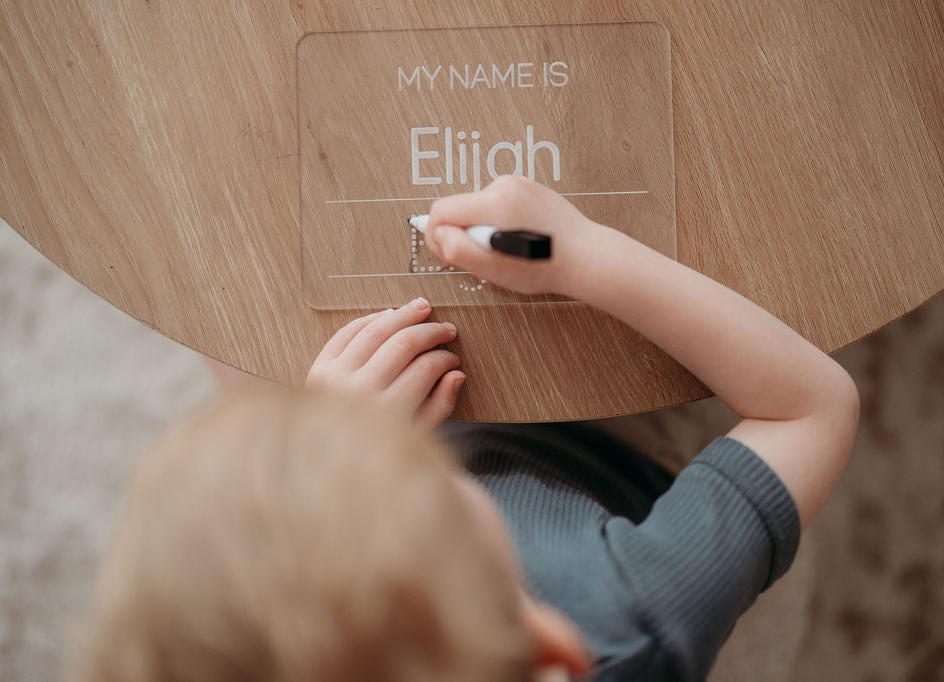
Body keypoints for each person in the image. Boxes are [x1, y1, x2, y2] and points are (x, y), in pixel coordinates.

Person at [76, 176, 859, 681]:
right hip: (624, 475)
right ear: (551, 653)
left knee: (245, 337)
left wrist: (324, 431)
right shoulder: (629, 618)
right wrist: (574, 252)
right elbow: (811, 407)